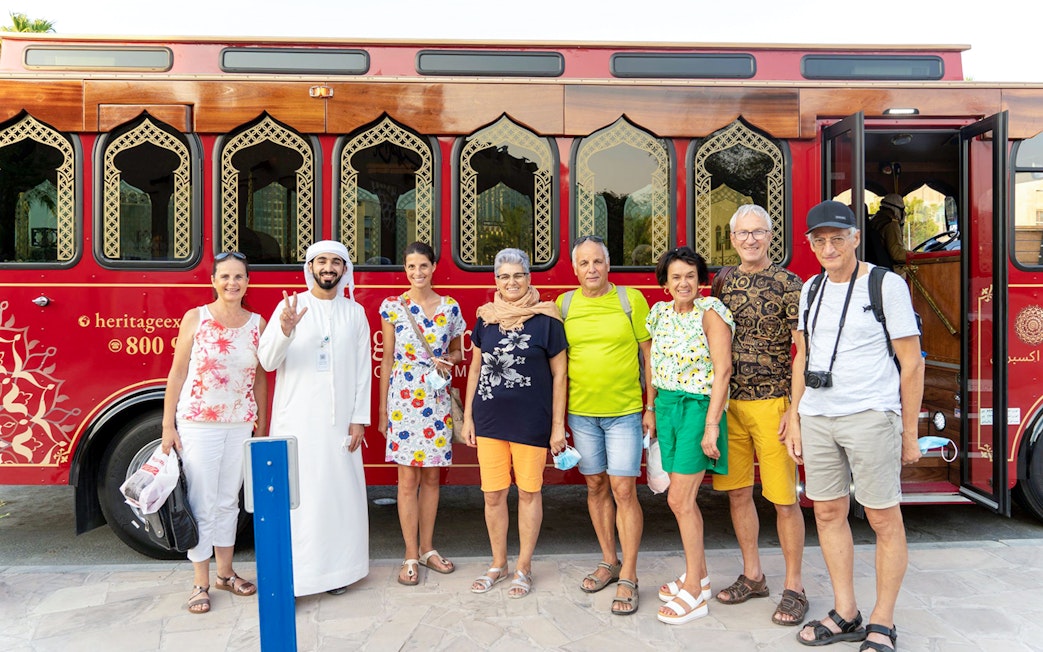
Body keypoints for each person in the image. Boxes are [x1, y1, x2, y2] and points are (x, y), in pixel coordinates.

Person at [788, 201, 924, 651]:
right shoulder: (810, 289)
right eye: (819, 239)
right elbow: (803, 357)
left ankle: (882, 621)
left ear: (855, 238)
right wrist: (795, 416)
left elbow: (911, 364)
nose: (829, 246)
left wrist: (908, 433)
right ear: (810, 244)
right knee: (827, 512)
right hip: (818, 417)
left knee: (883, 518)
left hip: (870, 415)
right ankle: (846, 611)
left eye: (837, 238)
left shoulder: (887, 285)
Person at [710, 205, 808, 626]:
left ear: (771, 237)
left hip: (773, 404)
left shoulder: (791, 284)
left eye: (759, 232)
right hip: (729, 404)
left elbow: (803, 350)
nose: (750, 239)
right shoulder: (722, 282)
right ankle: (753, 575)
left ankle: (795, 587)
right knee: (737, 493)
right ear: (731, 239)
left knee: (784, 500)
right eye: (742, 233)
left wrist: (796, 411)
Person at [258, 240, 372, 597]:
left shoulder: (354, 313)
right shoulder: (290, 307)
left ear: (343, 270)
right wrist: (285, 329)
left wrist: (359, 419)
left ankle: (338, 573)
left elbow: (363, 372)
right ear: (310, 267)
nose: (328, 268)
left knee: (338, 497)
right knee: (300, 500)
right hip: (297, 422)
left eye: (335, 262)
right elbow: (267, 361)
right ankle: (296, 579)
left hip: (340, 426)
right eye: (321, 261)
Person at [161, 251, 266, 615]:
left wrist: (261, 423)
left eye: (239, 277)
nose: (232, 283)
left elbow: (262, 376)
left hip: (240, 423)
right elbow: (176, 373)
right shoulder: (196, 319)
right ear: (213, 281)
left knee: (228, 502)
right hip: (199, 423)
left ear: (248, 282)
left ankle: (226, 574)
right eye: (225, 277)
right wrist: (167, 425)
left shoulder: (258, 323)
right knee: (203, 503)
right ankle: (200, 583)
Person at [462, 248, 568, 600]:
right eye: (504, 276)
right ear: (495, 280)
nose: (511, 282)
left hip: (532, 422)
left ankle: (523, 566)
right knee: (492, 495)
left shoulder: (547, 319)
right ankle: (498, 563)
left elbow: (560, 375)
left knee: (528, 492)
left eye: (518, 275)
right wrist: (468, 417)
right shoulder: (486, 318)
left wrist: (557, 426)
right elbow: (475, 368)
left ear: (529, 278)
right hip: (490, 420)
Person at [555, 235, 652, 616]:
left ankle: (629, 573)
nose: (591, 269)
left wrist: (651, 407)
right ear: (574, 269)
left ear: (608, 265)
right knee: (595, 486)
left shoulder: (631, 301)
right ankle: (609, 560)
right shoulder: (564, 304)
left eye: (598, 262)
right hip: (582, 414)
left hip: (626, 412)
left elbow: (649, 357)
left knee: (624, 489)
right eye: (584, 264)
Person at [647, 246, 734, 625]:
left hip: (697, 409)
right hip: (666, 407)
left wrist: (712, 424)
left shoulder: (710, 312)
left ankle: (695, 591)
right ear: (665, 284)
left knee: (681, 500)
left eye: (690, 276)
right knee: (679, 499)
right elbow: (652, 364)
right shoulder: (658, 314)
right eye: (676, 276)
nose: (684, 283)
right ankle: (697, 573)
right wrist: (650, 408)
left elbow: (724, 370)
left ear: (701, 280)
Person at [377, 241, 466, 586]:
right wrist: (384, 410)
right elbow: (386, 359)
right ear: (405, 269)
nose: (417, 273)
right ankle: (410, 554)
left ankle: (428, 549)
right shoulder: (393, 307)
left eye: (423, 266)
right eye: (411, 267)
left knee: (431, 478)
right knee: (407, 480)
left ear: (433, 267)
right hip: (403, 397)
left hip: (436, 397)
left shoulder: (451, 307)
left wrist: (451, 360)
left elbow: (458, 350)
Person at [867, 194, 907, 270]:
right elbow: (897, 254)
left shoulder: (875, 219)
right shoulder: (891, 223)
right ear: (898, 210)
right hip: (891, 269)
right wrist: (916, 255)